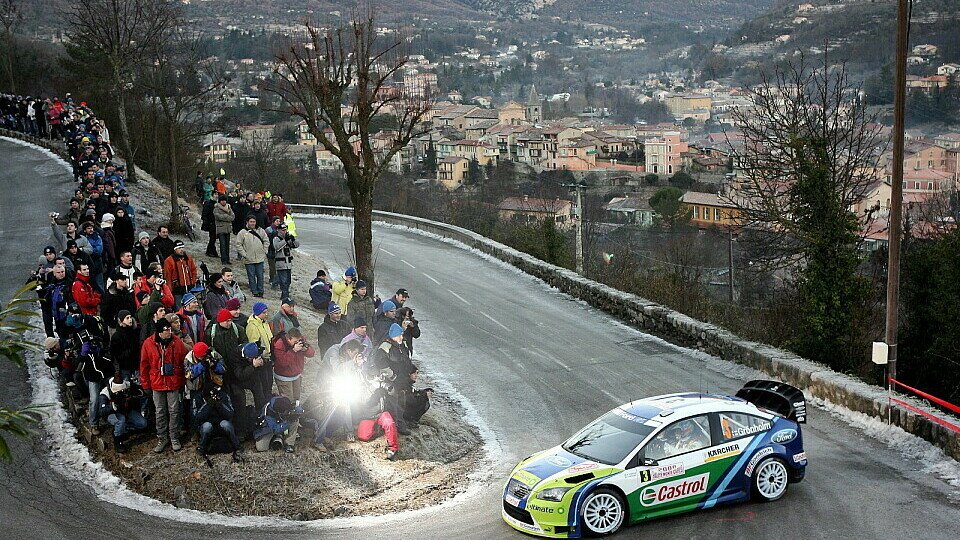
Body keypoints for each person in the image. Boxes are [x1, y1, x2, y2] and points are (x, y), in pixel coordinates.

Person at [186, 343, 244, 464]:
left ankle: (235, 443)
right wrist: (202, 365)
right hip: (197, 388)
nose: (204, 358)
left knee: (225, 420)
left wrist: (215, 364)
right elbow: (188, 374)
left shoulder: (214, 354)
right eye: (201, 357)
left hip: (215, 385)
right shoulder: (189, 358)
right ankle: (196, 436)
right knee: (196, 414)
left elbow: (223, 369)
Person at [140, 318, 188, 453]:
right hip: (157, 383)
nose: (169, 332)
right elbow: (144, 365)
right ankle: (162, 438)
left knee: (174, 411)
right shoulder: (148, 344)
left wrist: (182, 380)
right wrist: (145, 384)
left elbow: (183, 361)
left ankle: (174, 437)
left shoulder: (176, 342)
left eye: (170, 329)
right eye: (166, 330)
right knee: (160, 412)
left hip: (173, 382)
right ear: (159, 332)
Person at [270, 328, 315, 453]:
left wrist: (305, 348)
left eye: (298, 341)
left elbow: (312, 353)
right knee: (288, 407)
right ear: (289, 339)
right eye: (295, 341)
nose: (297, 343)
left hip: (296, 376)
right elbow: (283, 363)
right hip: (284, 378)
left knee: (296, 405)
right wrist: (294, 351)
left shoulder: (300, 340)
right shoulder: (280, 345)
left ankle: (292, 434)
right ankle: (287, 438)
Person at [98, 374, 147, 453]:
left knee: (142, 423)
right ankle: (118, 440)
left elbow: (140, 391)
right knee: (120, 420)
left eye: (123, 391)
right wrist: (113, 406)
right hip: (112, 413)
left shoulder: (127, 384)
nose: (121, 393)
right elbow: (102, 411)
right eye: (118, 392)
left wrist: (133, 396)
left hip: (127, 410)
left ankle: (125, 429)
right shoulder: (105, 394)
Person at [236, 216, 268, 298]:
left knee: (260, 276)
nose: (253, 223)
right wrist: (244, 254)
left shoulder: (261, 230)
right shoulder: (242, 232)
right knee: (251, 276)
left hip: (260, 258)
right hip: (249, 259)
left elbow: (266, 241)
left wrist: (264, 251)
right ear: (247, 222)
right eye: (251, 221)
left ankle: (261, 291)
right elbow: (238, 244)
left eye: (254, 221)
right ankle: (254, 292)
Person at [163, 240, 199, 308]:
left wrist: (193, 282)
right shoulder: (169, 261)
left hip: (189, 288)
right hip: (177, 290)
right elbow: (168, 277)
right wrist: (169, 291)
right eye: (179, 248)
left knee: (191, 308)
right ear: (175, 249)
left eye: (182, 247)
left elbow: (194, 271)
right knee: (179, 308)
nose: (182, 250)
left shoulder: (188, 258)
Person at [39, 265, 72, 338]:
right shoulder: (51, 284)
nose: (61, 274)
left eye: (62, 272)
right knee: (60, 334)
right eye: (58, 272)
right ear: (54, 274)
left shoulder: (69, 283)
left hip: (67, 313)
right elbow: (46, 297)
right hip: (56, 313)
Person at [271, 222, 298, 301]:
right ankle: (285, 297)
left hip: (288, 264)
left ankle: (285, 295)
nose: (284, 231)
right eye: (283, 230)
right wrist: (285, 240)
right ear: (279, 230)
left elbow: (296, 245)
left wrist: (293, 240)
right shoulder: (276, 238)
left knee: (288, 281)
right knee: (283, 281)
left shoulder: (287, 237)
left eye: (285, 230)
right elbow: (277, 247)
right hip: (281, 263)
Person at [110, 310, 140, 380]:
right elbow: (116, 354)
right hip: (125, 367)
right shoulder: (116, 336)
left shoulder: (135, 331)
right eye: (127, 318)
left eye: (130, 317)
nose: (130, 320)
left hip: (136, 365)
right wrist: (130, 350)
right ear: (121, 320)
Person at [213, 195, 235, 265]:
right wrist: (226, 216)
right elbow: (218, 217)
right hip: (221, 229)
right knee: (222, 245)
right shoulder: (216, 208)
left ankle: (227, 259)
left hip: (228, 229)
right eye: (222, 200)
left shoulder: (229, 207)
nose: (223, 202)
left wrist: (225, 218)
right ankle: (223, 260)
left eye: (224, 200)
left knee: (227, 245)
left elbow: (233, 217)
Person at [265, 215, 283, 289]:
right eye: (277, 221)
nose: (278, 222)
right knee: (272, 267)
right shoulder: (268, 230)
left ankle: (276, 280)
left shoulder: (280, 230)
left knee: (278, 267)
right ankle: (272, 280)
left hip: (277, 251)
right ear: (273, 221)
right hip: (270, 250)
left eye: (279, 221)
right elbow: (265, 240)